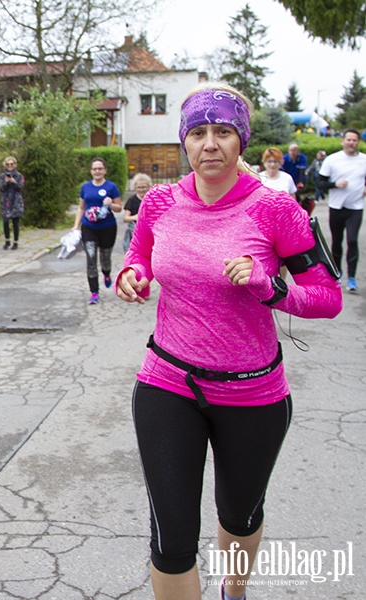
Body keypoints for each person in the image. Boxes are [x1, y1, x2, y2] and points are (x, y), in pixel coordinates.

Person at [116, 82, 342, 600]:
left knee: (238, 518)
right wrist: (131, 275)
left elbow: (327, 297)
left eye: (222, 132)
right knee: (170, 539)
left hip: (254, 395)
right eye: (197, 133)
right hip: (168, 384)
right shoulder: (158, 203)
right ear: (184, 142)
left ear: (241, 141)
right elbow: (139, 257)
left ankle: (232, 592)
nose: (209, 144)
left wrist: (270, 286)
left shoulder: (277, 209)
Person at [316, 128, 366, 293]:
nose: (351, 143)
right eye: (349, 140)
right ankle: (337, 273)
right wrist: (335, 184)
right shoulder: (332, 160)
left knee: (352, 240)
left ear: (358, 142)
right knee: (336, 241)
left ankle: (352, 278)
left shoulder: (364, 160)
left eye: (354, 140)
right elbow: (320, 184)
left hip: (355, 207)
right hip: (336, 207)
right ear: (342, 141)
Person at [73, 157, 122, 304]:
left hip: (107, 228)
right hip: (89, 227)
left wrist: (111, 204)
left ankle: (107, 274)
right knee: (91, 259)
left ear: (105, 170)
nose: (97, 171)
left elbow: (119, 208)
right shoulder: (85, 187)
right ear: (91, 171)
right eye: (94, 169)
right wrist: (76, 225)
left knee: (105, 258)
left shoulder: (111, 187)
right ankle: (94, 292)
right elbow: (81, 207)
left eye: (100, 168)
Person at [0, 156, 25, 249]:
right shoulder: (3, 176)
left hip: (16, 201)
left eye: (11, 164)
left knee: (15, 222)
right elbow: (1, 188)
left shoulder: (19, 176)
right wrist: (6, 182)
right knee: (5, 221)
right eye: (8, 164)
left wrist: (14, 181)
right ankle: (7, 241)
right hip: (6, 201)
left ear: (15, 165)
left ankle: (15, 242)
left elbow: (21, 187)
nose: (10, 166)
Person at [123, 173, 151, 253]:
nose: (141, 189)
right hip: (135, 232)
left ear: (149, 187)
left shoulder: (152, 199)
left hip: (150, 232)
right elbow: (125, 218)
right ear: (135, 188)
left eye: (144, 187)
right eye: (139, 187)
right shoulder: (132, 200)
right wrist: (135, 217)